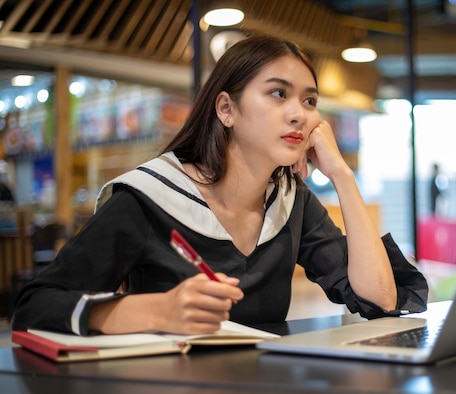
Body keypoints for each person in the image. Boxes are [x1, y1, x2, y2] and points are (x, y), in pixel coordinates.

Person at [12, 35, 428, 336]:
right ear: (227, 109)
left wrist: (342, 176)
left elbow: (380, 301)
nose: (299, 114)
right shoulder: (148, 197)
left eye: (309, 100)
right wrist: (156, 311)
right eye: (278, 94)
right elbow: (36, 306)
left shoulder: (290, 202)